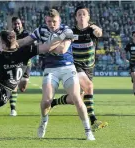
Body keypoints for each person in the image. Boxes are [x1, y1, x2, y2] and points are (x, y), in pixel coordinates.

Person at [17, 9, 95, 140]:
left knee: (76, 98)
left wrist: (43, 46)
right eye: (49, 21)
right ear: (45, 21)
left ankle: (88, 131)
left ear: (59, 20)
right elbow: (25, 41)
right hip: (50, 69)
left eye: (54, 22)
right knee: (46, 101)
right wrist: (9, 44)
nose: (51, 24)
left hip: (67, 68)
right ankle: (43, 122)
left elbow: (62, 50)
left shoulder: (67, 30)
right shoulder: (41, 30)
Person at [51, 5, 108, 132]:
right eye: (79, 14)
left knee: (74, 98)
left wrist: (97, 29)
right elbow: (59, 40)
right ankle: (93, 120)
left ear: (88, 17)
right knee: (89, 86)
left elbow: (99, 33)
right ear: (76, 17)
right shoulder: (70, 32)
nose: (81, 16)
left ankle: (52, 102)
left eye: (84, 14)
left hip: (89, 68)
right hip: (74, 66)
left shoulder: (92, 30)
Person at [9, 17, 36, 116]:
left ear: (21, 24)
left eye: (18, 23)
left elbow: (33, 45)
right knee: (14, 85)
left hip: (26, 64)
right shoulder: (10, 35)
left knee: (23, 88)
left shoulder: (27, 34)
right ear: (12, 25)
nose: (17, 25)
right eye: (15, 24)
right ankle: (13, 109)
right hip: (15, 63)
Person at [124, 31, 135, 95]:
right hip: (132, 62)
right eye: (134, 36)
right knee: (134, 75)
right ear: (132, 36)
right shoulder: (129, 44)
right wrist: (125, 59)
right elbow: (124, 52)